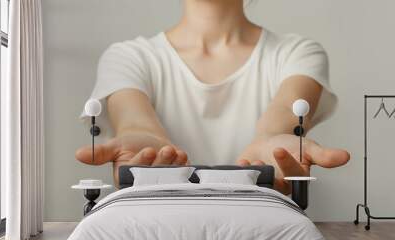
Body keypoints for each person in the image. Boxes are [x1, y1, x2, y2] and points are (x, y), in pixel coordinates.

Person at [75, 0, 350, 194]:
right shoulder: (127, 57)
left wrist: (273, 139)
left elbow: (282, 119)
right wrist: (145, 142)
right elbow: (134, 123)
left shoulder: (298, 53)